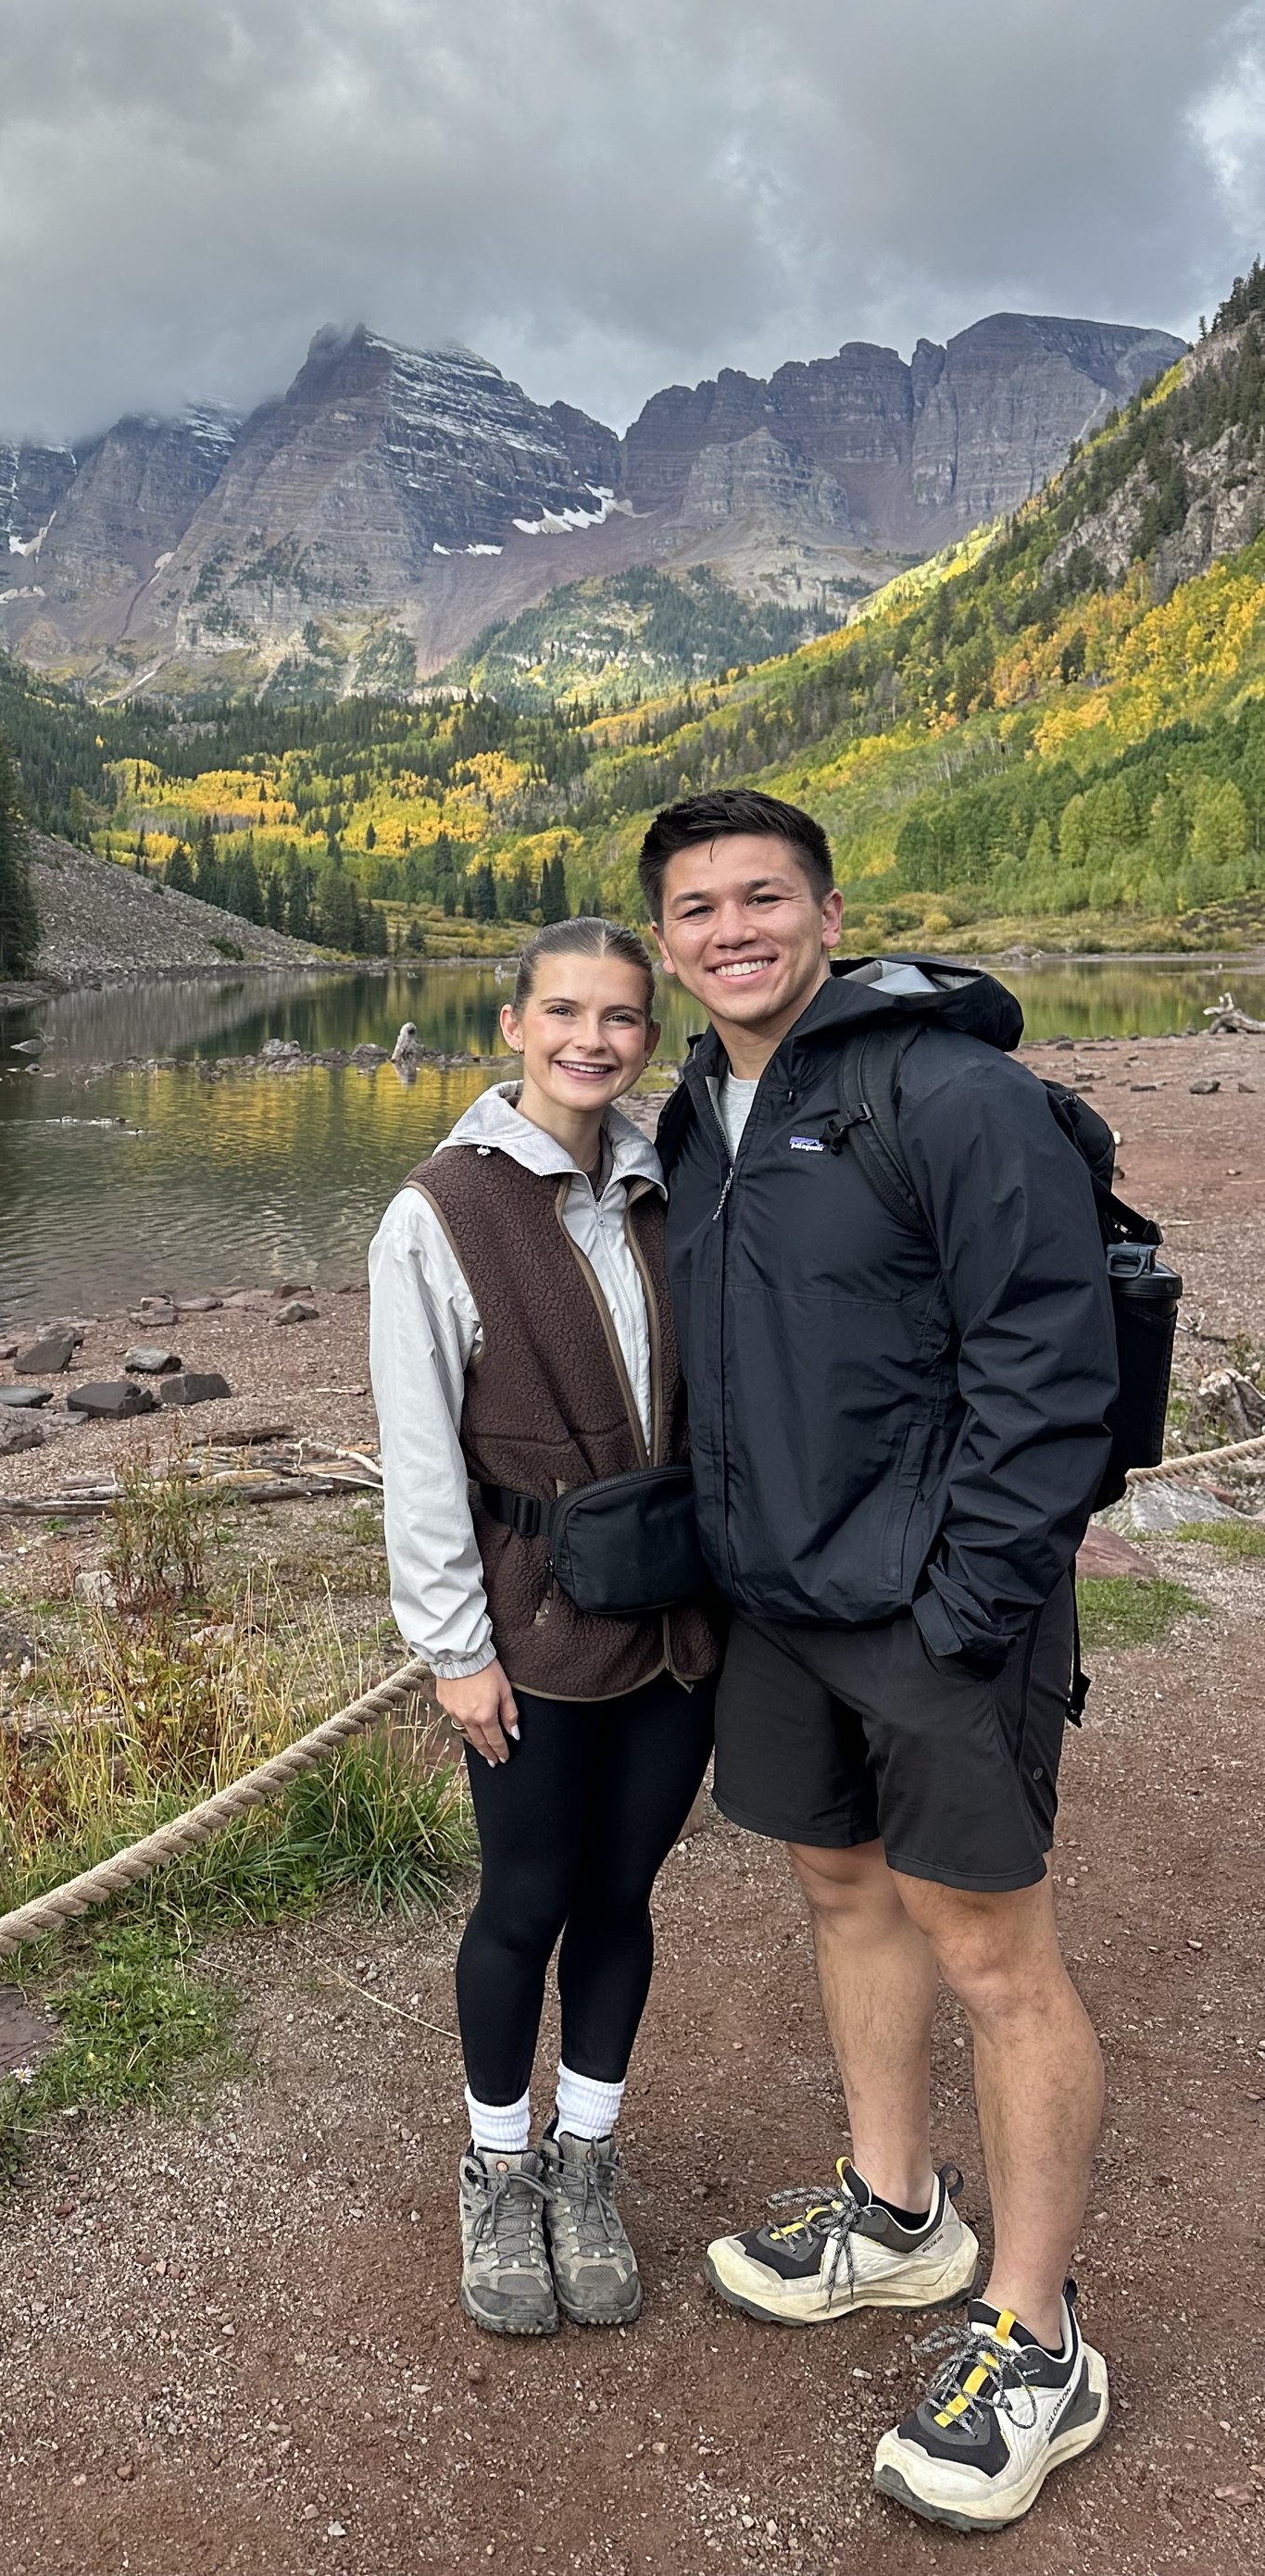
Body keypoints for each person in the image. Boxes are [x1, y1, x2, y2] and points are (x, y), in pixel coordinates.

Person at [639, 786, 1115, 2534]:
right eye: (696, 909)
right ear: (671, 945)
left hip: (934, 1613)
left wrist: (971, 1604)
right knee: (843, 1891)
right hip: (779, 1607)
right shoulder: (703, 1112)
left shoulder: (950, 1093)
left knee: (994, 1951)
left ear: (830, 915)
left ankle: (1041, 2341)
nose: (731, 928)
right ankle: (902, 2216)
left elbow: (1049, 1364)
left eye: (762, 897)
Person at [369, 918, 720, 2340]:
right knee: (524, 1902)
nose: (593, 1038)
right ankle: (498, 2168)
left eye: (623, 1016)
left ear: (647, 1036)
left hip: (678, 1626)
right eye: (564, 1010)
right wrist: (456, 1648)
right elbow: (418, 1452)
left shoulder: (666, 1187)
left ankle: (586, 2157)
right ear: (510, 1022)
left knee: (625, 1896)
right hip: (531, 1629)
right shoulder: (436, 1211)